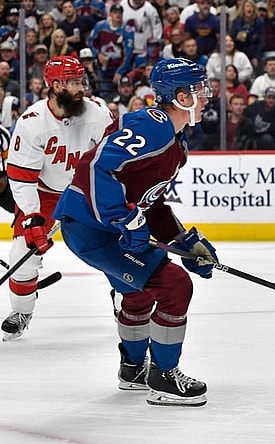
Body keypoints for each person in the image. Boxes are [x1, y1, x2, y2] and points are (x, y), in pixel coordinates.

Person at [53, 57, 217, 407]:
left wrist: (185, 241)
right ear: (181, 96)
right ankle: (163, 378)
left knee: (139, 293)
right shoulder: (151, 125)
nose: (207, 97)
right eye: (201, 90)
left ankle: (132, 369)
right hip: (91, 228)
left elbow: (150, 203)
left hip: (104, 227)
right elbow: (98, 168)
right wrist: (126, 220)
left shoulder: (176, 145)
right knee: (174, 285)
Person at [2, 56, 115, 341]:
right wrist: (32, 217)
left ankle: (125, 301)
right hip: (45, 194)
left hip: (87, 191)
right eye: (74, 82)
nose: (82, 88)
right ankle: (21, 311)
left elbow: (113, 162)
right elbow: (21, 177)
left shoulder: (98, 114)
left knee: (117, 247)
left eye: (82, 81)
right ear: (55, 86)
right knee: (22, 255)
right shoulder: (31, 122)